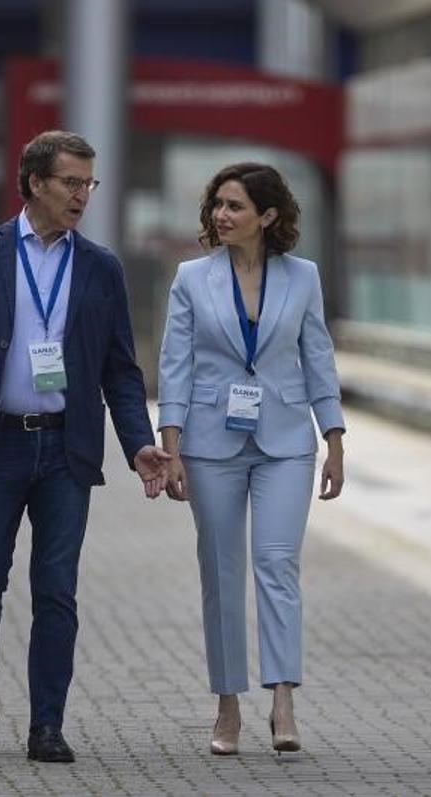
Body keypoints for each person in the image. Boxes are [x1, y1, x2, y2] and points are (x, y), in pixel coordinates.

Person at [0, 130, 170, 763]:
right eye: (71, 182)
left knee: (56, 589)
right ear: (35, 183)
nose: (82, 195)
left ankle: (46, 725)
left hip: (66, 451)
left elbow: (121, 369)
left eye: (89, 184)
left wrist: (137, 443)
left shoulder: (100, 267)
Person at [157, 163, 345, 755]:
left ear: (267, 216)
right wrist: (171, 444)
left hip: (287, 441)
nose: (221, 215)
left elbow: (318, 356)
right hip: (211, 443)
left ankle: (283, 698)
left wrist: (334, 436)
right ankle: (228, 705)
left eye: (235, 206)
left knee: (276, 563)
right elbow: (174, 364)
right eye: (217, 204)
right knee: (221, 573)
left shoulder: (303, 276)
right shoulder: (191, 278)